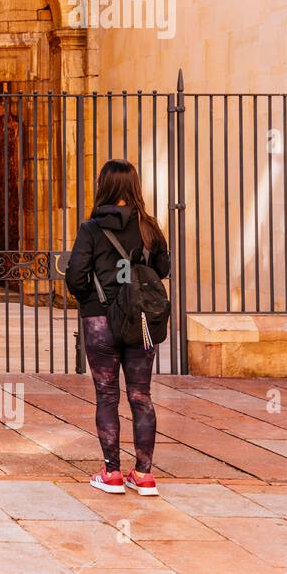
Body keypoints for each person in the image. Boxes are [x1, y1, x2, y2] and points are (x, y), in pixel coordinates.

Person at [65, 159, 171, 496]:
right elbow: (163, 269)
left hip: (100, 321)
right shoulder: (149, 228)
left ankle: (111, 473)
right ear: (134, 186)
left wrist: (95, 301)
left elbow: (75, 276)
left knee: (107, 396)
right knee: (141, 396)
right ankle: (143, 475)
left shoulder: (91, 229)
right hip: (140, 320)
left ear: (104, 186)